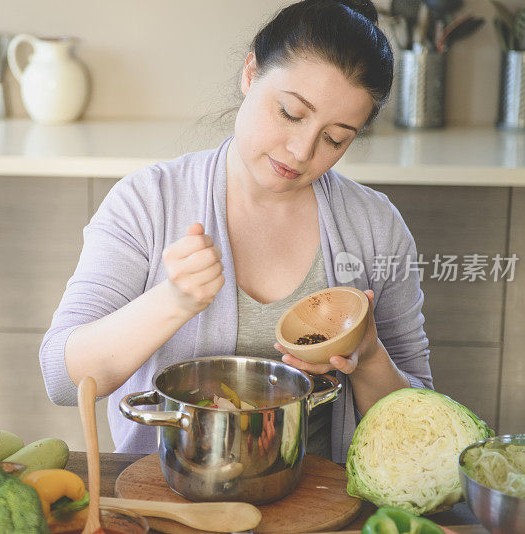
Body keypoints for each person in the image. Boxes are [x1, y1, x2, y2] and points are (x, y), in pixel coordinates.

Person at [40, 0, 433, 463]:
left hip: (322, 503)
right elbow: (63, 380)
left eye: (336, 138)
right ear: (251, 73)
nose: (301, 151)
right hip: (169, 489)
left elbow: (419, 418)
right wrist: (173, 301)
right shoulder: (148, 201)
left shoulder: (375, 226)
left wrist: (367, 357)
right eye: (290, 112)